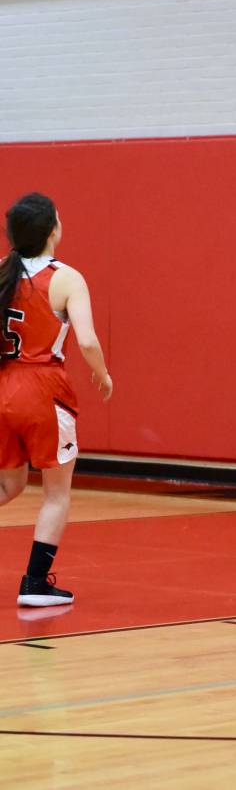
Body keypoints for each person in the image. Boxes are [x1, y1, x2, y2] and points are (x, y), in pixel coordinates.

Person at [0, 193, 112, 605]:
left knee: (9, 484)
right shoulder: (66, 278)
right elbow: (87, 340)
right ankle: (34, 583)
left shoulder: (2, 271)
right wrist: (103, 374)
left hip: (4, 385)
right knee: (56, 492)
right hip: (43, 387)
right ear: (53, 230)